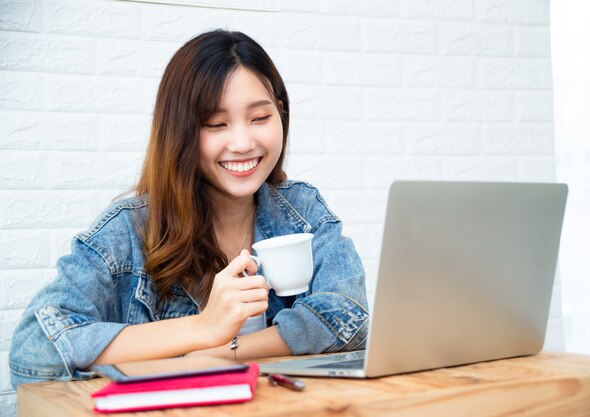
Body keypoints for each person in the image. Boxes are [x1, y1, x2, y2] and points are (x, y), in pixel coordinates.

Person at [9, 30, 369, 387]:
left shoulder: (301, 210)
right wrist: (203, 327)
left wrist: (228, 351)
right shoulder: (129, 232)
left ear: (281, 115)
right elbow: (35, 349)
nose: (243, 143)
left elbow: (348, 319)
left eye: (260, 118)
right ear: (180, 132)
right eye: (216, 124)